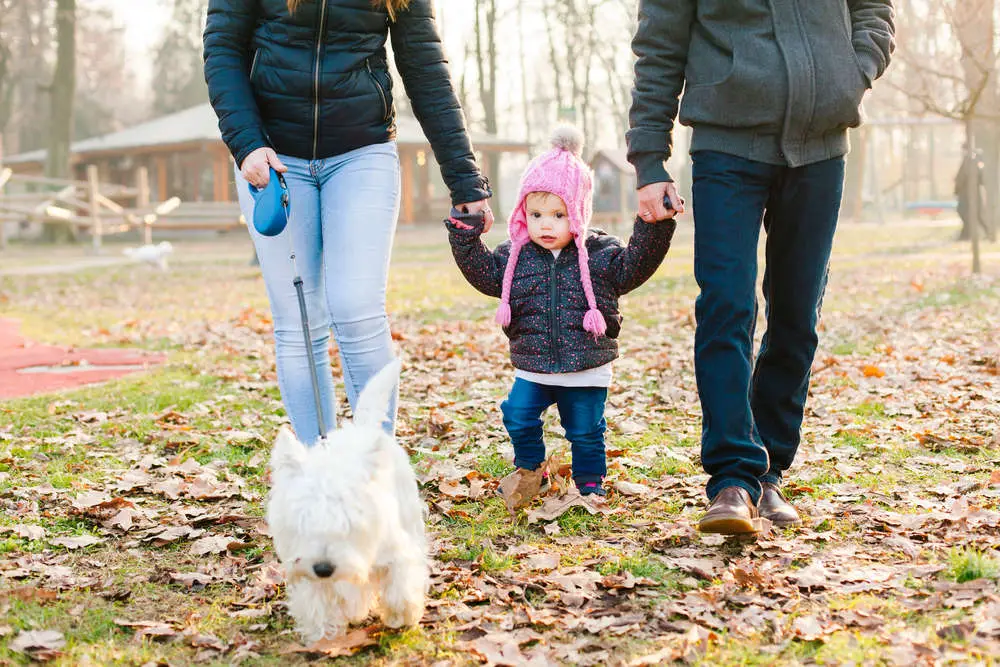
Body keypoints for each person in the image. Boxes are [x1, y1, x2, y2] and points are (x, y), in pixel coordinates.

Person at [627, 0, 895, 533]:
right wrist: (650, 160)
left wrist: (852, 71)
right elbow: (658, 47)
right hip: (726, 148)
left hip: (821, 150)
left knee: (796, 313)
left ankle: (769, 473)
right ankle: (732, 478)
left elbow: (875, 11)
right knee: (727, 303)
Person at [204, 0, 492, 444]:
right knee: (299, 322)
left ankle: (372, 469)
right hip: (274, 158)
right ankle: (319, 469)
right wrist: (247, 144)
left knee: (358, 310)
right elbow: (223, 48)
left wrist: (465, 180)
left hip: (362, 151)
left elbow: (425, 68)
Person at [446, 128, 675, 504]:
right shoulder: (514, 257)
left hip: (586, 366)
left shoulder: (600, 255)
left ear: (580, 213)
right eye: (535, 214)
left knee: (584, 430)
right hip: (533, 366)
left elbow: (636, 265)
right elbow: (483, 274)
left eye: (558, 214)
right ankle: (531, 469)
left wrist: (655, 226)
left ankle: (589, 483)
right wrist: (465, 235)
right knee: (518, 414)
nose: (546, 225)